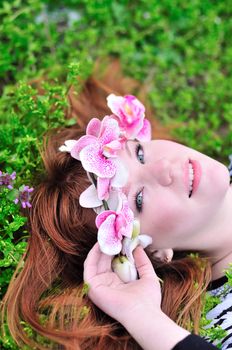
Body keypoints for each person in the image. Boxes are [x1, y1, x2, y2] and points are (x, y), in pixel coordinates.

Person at [1, 61, 232, 350]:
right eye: (139, 200)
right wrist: (142, 316)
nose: (164, 168)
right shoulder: (220, 327)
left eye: (139, 153)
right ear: (154, 255)